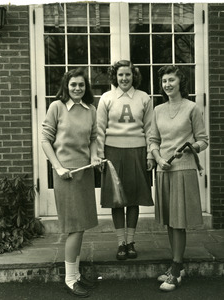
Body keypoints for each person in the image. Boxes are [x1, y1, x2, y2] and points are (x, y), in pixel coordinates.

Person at [42, 68, 102, 298]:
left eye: (81, 85)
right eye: (73, 84)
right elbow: (45, 140)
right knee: (74, 228)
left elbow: (94, 138)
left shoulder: (91, 110)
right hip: (65, 174)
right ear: (66, 86)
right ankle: (69, 279)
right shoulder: (56, 107)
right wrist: (58, 167)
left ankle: (76, 274)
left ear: (86, 88)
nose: (77, 88)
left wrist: (95, 156)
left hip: (84, 173)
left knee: (81, 226)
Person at [149, 65, 208, 292]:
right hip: (164, 169)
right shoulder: (158, 110)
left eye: (171, 80)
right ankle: (177, 265)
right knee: (170, 221)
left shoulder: (192, 108)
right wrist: (157, 157)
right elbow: (153, 139)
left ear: (180, 82)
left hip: (183, 169)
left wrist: (189, 147)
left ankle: (176, 269)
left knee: (179, 221)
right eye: (164, 81)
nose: (167, 84)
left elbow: (203, 140)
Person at [97, 60, 155, 261]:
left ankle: (131, 242)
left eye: (128, 75)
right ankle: (120, 243)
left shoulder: (143, 98)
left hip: (137, 151)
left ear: (133, 76)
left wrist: (150, 154)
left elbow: (150, 128)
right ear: (115, 76)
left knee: (133, 198)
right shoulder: (107, 98)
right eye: (120, 75)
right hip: (112, 152)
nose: (124, 78)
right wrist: (99, 156)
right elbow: (99, 129)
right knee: (116, 200)